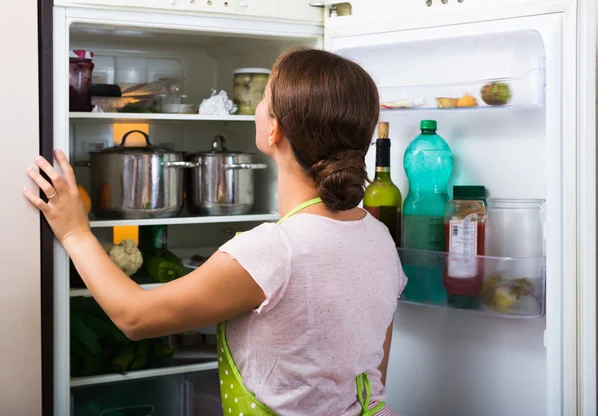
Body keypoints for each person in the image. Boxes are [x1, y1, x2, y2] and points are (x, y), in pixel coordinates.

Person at [24, 48, 406, 416]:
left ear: (274, 129)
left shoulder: (275, 249)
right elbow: (375, 372)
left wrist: (75, 231)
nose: (257, 108)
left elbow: (135, 317)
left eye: (264, 99)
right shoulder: (376, 235)